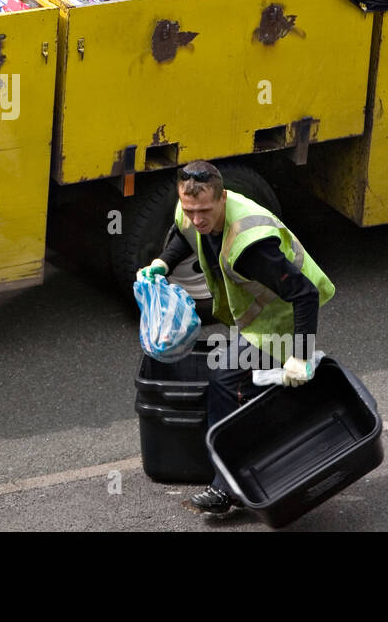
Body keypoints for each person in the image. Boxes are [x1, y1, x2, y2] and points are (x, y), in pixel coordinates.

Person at [137, 160, 335, 515]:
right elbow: (185, 234)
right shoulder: (192, 211)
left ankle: (229, 487)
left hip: (281, 320)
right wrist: (164, 263)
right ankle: (258, 447)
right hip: (257, 318)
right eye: (190, 209)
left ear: (223, 198)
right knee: (240, 380)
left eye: (205, 211)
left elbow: (304, 295)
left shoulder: (251, 246)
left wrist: (301, 356)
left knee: (228, 379)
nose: (198, 219)